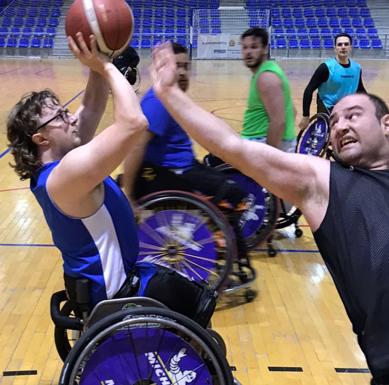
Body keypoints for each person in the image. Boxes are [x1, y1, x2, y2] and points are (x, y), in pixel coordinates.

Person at [149, 42, 389, 384]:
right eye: (334, 122)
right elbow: (234, 147)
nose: (340, 126)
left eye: (353, 115)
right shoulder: (325, 183)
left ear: (387, 124)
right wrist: (168, 92)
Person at [6, 34, 216, 328]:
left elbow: (91, 107)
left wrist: (97, 58)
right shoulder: (66, 175)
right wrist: (107, 67)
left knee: (185, 289)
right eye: (60, 117)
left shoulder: (60, 167)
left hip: (119, 281)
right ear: (40, 138)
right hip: (119, 292)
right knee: (201, 302)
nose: (72, 118)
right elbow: (133, 124)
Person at [123, 42, 250, 262]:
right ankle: (218, 247)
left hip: (183, 166)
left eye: (185, 66)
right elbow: (136, 145)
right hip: (171, 174)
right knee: (233, 192)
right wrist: (129, 194)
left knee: (226, 179)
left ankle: (221, 242)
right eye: (176, 66)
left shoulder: (172, 97)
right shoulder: (158, 102)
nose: (181, 72)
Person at [240, 27, 296, 151]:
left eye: (254, 47)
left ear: (265, 49)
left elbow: (279, 122)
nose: (248, 52)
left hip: (261, 142)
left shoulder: (266, 77)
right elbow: (293, 111)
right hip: (263, 141)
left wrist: (269, 155)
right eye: (245, 47)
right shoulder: (267, 71)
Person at [299, 32, 367, 131]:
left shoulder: (357, 68)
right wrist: (305, 116)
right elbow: (309, 90)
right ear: (335, 48)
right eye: (340, 45)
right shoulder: (326, 68)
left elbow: (360, 89)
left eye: (346, 44)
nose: (343, 47)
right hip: (328, 107)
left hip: (346, 108)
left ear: (350, 47)